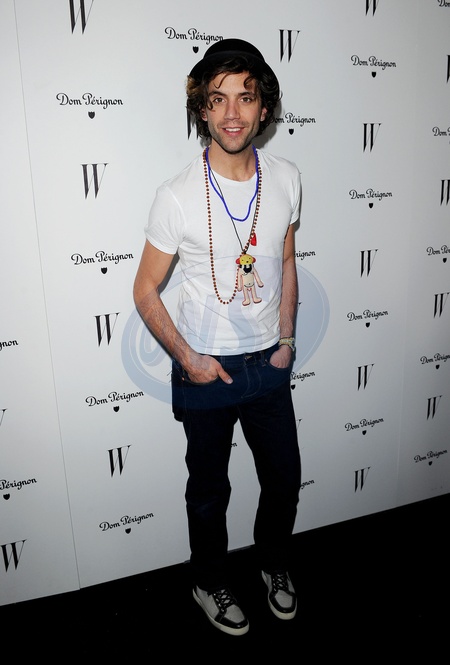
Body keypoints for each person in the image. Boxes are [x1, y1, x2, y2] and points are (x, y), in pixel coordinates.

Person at [133, 38, 301, 636]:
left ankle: (273, 565)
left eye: (245, 98)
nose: (232, 113)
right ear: (201, 109)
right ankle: (208, 581)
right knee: (208, 491)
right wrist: (189, 358)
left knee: (283, 480)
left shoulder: (287, 178)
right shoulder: (176, 194)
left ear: (263, 107)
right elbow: (145, 289)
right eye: (218, 99)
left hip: (267, 364)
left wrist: (286, 342)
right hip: (204, 369)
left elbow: (287, 259)